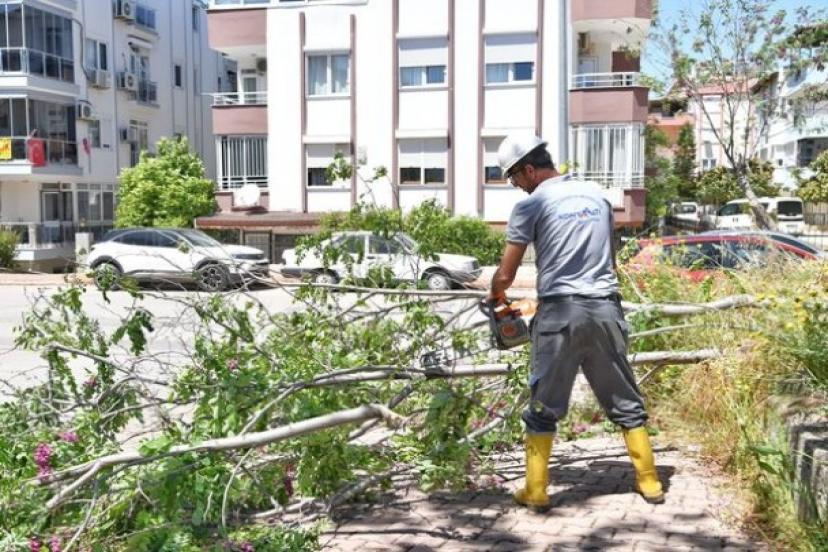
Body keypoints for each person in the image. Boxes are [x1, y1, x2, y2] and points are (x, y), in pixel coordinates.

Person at [487, 134, 664, 512]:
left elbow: (506, 273)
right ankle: (649, 481)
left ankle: (535, 490)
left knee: (543, 404)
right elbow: (605, 256)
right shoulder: (596, 195)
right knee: (624, 397)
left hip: (559, 315)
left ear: (529, 169)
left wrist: (496, 296)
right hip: (605, 308)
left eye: (515, 178)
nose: (516, 186)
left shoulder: (531, 206)